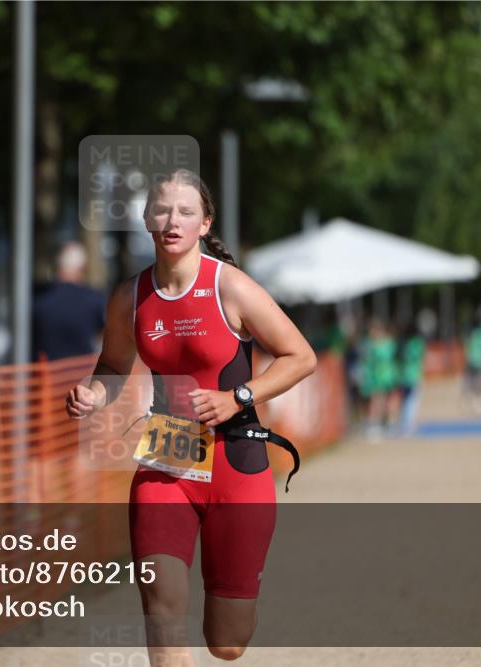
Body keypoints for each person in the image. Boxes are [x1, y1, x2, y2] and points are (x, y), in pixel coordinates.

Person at [65, 169, 316, 663]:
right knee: (161, 611)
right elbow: (113, 363)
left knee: (227, 641)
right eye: (161, 210)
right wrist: (94, 393)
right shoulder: (130, 296)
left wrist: (238, 395)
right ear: (146, 219)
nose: (171, 220)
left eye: (184, 211)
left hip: (236, 462)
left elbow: (300, 356)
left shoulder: (231, 288)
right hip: (167, 459)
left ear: (205, 223)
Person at [31, 241, 106, 361]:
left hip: (44, 375)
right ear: (82, 269)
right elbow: (107, 336)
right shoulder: (93, 299)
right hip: (82, 373)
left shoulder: (38, 297)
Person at [394, 321, 426, 436]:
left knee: (404, 400)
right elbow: (420, 356)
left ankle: (403, 423)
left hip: (403, 374)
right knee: (412, 400)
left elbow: (397, 357)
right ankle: (408, 425)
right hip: (413, 374)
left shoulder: (402, 342)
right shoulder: (417, 343)